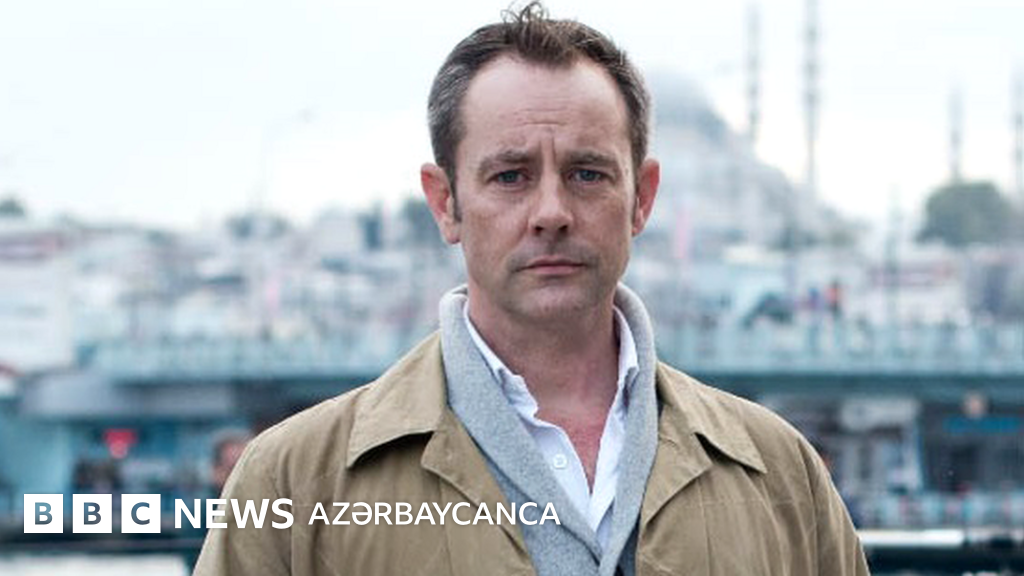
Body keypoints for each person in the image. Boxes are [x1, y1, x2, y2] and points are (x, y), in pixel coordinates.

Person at [194, 4, 869, 575]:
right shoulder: (293, 484)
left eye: (587, 174)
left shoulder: (782, 476)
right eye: (511, 176)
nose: (551, 212)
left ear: (642, 198)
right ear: (445, 203)